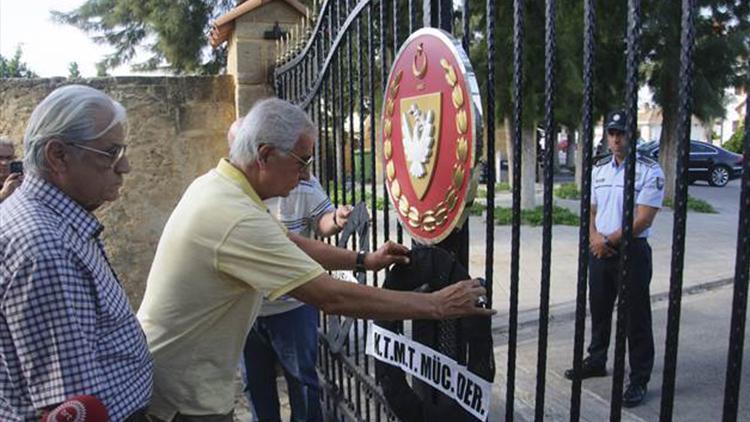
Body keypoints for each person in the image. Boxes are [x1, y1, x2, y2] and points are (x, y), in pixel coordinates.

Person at [137, 98, 493, 421]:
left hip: (170, 381)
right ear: (264, 155)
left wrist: (363, 260)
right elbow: (330, 297)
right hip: (180, 401)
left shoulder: (218, 187)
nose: (307, 175)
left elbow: (287, 240)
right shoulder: (234, 215)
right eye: (301, 161)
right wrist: (435, 305)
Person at [0, 85, 152, 421]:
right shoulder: (45, 247)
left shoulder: (56, 221)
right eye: (111, 153)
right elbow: (73, 407)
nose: (124, 166)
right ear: (58, 156)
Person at [228, 117, 351, 422]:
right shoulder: (231, 195)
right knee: (255, 385)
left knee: (303, 383)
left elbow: (318, 223)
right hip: (249, 309)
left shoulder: (302, 180)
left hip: (292, 306)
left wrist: (336, 220)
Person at [564, 110, 664, 408]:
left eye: (621, 133)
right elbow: (593, 210)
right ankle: (596, 359)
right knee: (599, 308)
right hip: (599, 249)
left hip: (631, 252)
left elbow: (643, 218)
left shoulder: (649, 171)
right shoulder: (600, 170)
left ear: (631, 136)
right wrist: (595, 237)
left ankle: (639, 378)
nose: (616, 138)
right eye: (612, 133)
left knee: (636, 317)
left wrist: (609, 240)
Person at [0, 138, 22, 202]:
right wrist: (3, 194)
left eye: (9, 158)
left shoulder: (21, 181)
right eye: (0, 158)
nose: (4, 163)